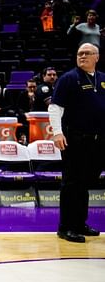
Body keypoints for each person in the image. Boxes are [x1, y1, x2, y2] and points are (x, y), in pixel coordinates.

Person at [49, 42, 104, 243]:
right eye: (79, 53)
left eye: (87, 53)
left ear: (96, 57)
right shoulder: (69, 79)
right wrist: (57, 133)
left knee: (85, 184)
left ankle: (80, 223)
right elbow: (55, 108)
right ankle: (66, 227)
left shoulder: (103, 79)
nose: (82, 56)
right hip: (75, 139)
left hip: (98, 141)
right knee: (72, 183)